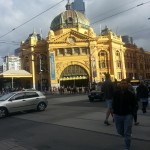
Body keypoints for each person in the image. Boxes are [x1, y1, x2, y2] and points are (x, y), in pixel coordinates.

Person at [113, 79, 137, 150]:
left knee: (127, 132)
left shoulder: (131, 94)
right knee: (119, 131)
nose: (123, 85)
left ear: (127, 84)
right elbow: (114, 103)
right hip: (118, 114)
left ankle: (127, 147)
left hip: (128, 115)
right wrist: (113, 111)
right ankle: (128, 135)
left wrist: (133, 114)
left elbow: (135, 105)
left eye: (124, 83)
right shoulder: (116, 93)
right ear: (120, 84)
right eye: (122, 83)